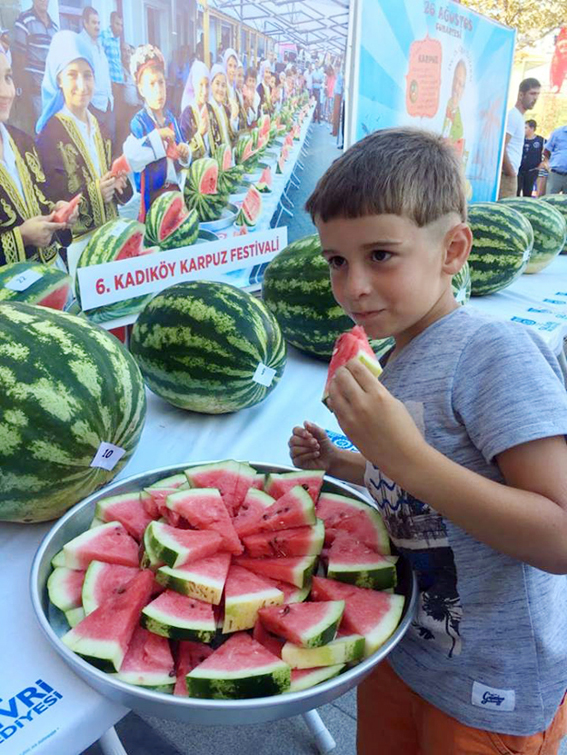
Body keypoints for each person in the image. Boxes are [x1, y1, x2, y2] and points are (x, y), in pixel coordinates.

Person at [289, 127, 567, 755]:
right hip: (404, 650)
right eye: (337, 260)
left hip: (491, 686)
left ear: (452, 250)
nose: (353, 285)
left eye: (380, 255)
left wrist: (403, 456)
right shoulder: (397, 356)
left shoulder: (493, 353)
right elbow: (416, 487)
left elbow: (559, 536)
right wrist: (345, 462)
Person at [36, 30, 130, 238]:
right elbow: (52, 198)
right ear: (59, 79)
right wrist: (95, 195)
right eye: (72, 75)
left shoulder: (102, 127)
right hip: (78, 245)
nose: (82, 85)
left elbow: (111, 174)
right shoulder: (49, 134)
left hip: (113, 237)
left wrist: (118, 184)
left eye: (88, 75)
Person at [0, 48, 75, 266]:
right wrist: (21, 237)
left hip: (53, 276)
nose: (6, 92)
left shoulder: (24, 142)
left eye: (7, 77)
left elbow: (42, 200)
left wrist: (57, 213)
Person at [124, 44, 190, 220]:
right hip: (152, 199)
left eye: (161, 83)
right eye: (151, 84)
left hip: (175, 193)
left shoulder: (171, 118)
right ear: (141, 89)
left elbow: (182, 149)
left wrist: (184, 153)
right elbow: (133, 158)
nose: (158, 90)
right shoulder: (138, 122)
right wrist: (157, 137)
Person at [13, 0, 58, 124]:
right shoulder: (24, 20)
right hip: (34, 95)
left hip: (52, 94)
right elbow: (18, 59)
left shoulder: (54, 28)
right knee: (38, 136)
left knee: (53, 137)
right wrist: (23, 94)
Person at [499, 77, 541, 198]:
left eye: (537, 94)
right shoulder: (513, 116)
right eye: (532, 93)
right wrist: (510, 172)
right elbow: (502, 146)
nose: (535, 98)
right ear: (521, 95)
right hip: (506, 176)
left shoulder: (518, 117)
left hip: (510, 174)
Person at [79, 6, 114, 139]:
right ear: (85, 23)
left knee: (109, 143)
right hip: (92, 104)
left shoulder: (98, 44)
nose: (97, 26)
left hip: (107, 103)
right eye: (94, 22)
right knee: (96, 142)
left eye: (99, 23)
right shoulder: (81, 44)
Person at [100, 11, 124, 141]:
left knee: (119, 119)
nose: (120, 28)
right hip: (111, 85)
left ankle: (117, 147)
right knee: (110, 120)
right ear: (111, 22)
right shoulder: (104, 36)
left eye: (121, 25)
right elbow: (101, 60)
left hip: (120, 84)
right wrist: (110, 82)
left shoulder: (117, 39)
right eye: (117, 24)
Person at [180, 59, 211, 159]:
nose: (204, 91)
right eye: (200, 85)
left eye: (207, 85)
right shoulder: (187, 113)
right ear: (194, 85)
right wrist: (200, 134)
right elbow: (183, 153)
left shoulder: (210, 109)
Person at [207, 64, 237, 150]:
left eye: (223, 85)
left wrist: (234, 118)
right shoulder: (207, 110)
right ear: (211, 84)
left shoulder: (226, 109)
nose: (220, 89)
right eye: (217, 84)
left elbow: (232, 136)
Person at [517, 119, 545, 197]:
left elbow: (548, 152)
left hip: (532, 171)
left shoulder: (540, 140)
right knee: (516, 191)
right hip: (519, 170)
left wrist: (544, 162)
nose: (523, 130)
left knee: (528, 192)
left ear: (532, 129)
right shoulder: (520, 139)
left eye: (526, 127)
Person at [543, 123, 567, 194]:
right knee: (550, 201)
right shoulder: (558, 132)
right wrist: (550, 163)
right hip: (556, 174)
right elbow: (546, 150)